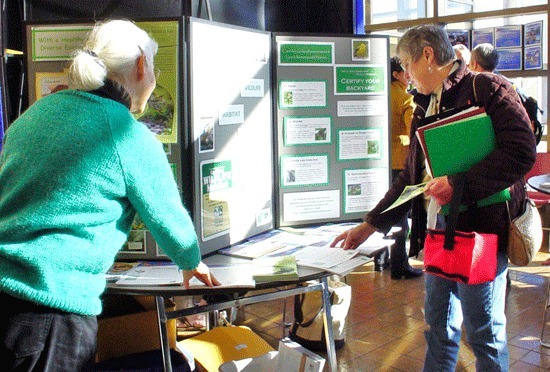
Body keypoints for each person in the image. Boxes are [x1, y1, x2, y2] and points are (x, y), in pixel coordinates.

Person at [0, 19, 220, 371]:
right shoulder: (125, 133)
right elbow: (168, 217)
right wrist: (191, 260)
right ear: (140, 67)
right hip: (53, 308)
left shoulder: (35, 114)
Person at [331, 25, 536, 370]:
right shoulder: (423, 105)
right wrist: (369, 225)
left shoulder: (487, 88)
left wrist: (458, 183)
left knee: (484, 332)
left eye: (407, 65)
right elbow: (410, 179)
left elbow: (521, 152)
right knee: (439, 328)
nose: (406, 75)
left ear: (427, 54)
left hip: (483, 231)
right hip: (440, 229)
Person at [388, 56, 422, 279]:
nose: (409, 74)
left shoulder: (382, 93)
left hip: (381, 162)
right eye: (405, 70)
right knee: (400, 214)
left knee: (384, 210)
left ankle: (381, 260)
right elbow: (414, 133)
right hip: (400, 163)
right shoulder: (406, 100)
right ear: (396, 74)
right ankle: (399, 265)